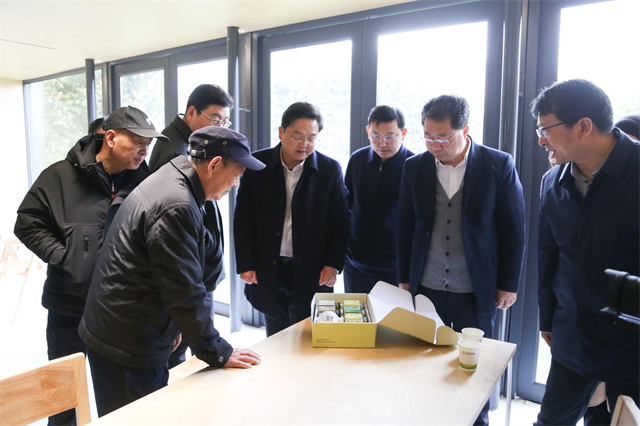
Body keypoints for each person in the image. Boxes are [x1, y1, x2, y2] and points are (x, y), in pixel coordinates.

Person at [79, 126, 265, 417]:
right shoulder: (177, 204)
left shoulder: (175, 178)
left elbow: (170, 268)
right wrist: (217, 350)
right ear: (215, 165)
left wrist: (175, 327)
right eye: (237, 174)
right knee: (137, 419)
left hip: (119, 326)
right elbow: (184, 288)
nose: (236, 184)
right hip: (127, 342)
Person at [13, 106, 167, 425]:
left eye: (148, 144)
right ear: (110, 138)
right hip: (69, 308)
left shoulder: (147, 182)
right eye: (138, 142)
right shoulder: (59, 176)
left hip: (120, 316)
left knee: (122, 403)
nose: (144, 150)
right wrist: (64, 255)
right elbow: (28, 223)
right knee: (63, 402)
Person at [396, 95, 525, 425]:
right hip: (427, 284)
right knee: (424, 359)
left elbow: (514, 229)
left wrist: (508, 284)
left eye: (443, 137)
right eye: (428, 136)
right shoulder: (414, 167)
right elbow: (405, 226)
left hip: (475, 286)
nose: (434, 145)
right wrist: (404, 278)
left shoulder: (498, 164)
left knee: (473, 365)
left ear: (464, 130)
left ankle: (476, 420)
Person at [532, 79, 639, 425]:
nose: (541, 139)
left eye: (546, 129)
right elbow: (548, 257)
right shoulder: (552, 182)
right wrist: (548, 319)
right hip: (572, 336)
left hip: (632, 345)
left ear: (583, 126)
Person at [234, 102, 351, 337]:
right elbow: (243, 218)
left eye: (311, 138)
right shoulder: (257, 165)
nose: (304, 144)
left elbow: (341, 222)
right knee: (275, 336)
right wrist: (246, 263)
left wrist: (333, 264)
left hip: (311, 268)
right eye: (298, 136)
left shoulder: (329, 170)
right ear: (281, 132)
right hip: (269, 266)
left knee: (309, 337)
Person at [149, 83, 234, 368]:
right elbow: (177, 231)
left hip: (197, 263)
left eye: (225, 122)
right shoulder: (175, 152)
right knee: (178, 355)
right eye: (215, 120)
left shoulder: (193, 143)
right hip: (190, 268)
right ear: (191, 113)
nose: (220, 128)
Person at [343, 105, 413, 293]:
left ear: (403, 133)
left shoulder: (414, 167)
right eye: (376, 136)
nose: (382, 143)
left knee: (392, 314)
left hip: (395, 269)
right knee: (355, 312)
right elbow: (345, 207)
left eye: (390, 137)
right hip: (355, 264)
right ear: (368, 132)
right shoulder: (357, 159)